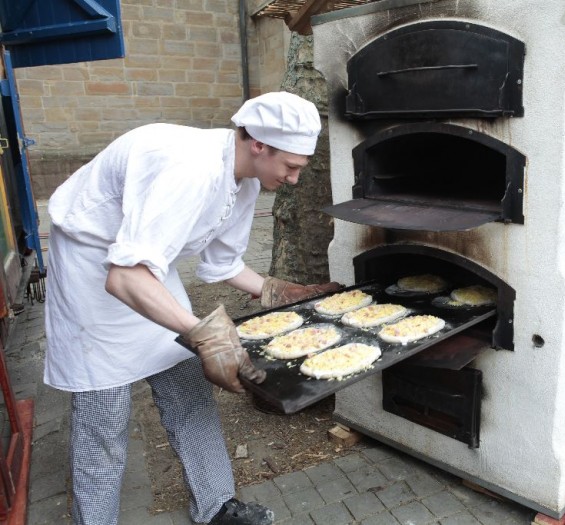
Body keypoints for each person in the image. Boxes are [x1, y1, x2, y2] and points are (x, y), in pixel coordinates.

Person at [43, 91, 341, 525]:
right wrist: (209, 337)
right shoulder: (191, 169)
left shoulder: (244, 180)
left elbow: (223, 264)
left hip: (145, 264)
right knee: (104, 417)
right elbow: (122, 277)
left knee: (188, 389)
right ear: (259, 144)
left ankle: (216, 505)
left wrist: (281, 292)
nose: (294, 179)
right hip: (91, 266)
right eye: (291, 167)